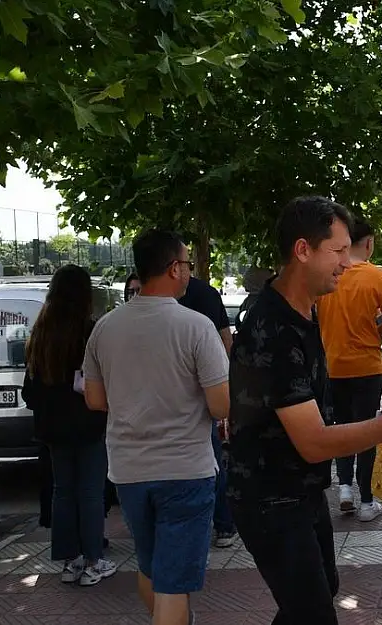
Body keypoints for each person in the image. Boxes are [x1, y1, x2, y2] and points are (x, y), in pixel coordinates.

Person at [226, 196, 382, 625]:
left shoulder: (306, 312)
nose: (346, 263)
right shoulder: (272, 328)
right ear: (303, 250)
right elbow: (314, 443)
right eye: (337, 251)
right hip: (270, 497)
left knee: (321, 593)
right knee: (313, 611)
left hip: (302, 490)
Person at [84, 229, 230, 625]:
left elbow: (95, 400)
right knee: (173, 583)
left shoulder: (105, 328)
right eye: (187, 264)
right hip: (185, 469)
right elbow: (220, 405)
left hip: (129, 470)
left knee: (151, 569)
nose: (189, 272)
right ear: (172, 268)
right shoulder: (196, 326)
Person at [23, 265, 116, 586]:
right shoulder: (91, 332)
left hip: (51, 427)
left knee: (63, 490)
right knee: (91, 491)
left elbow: (29, 390)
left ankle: (70, 560)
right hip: (90, 422)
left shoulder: (40, 334)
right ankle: (94, 560)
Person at [317, 218, 382, 521]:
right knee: (367, 430)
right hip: (368, 365)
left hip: (334, 365)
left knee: (342, 427)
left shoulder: (328, 276)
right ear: (368, 242)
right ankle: (367, 502)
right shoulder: (376, 276)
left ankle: (344, 489)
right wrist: (372, 330)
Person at [177, 275, 237, 548]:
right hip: (205, 392)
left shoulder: (120, 321)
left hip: (181, 397)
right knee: (210, 458)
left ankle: (219, 523)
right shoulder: (206, 297)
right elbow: (226, 341)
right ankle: (223, 524)